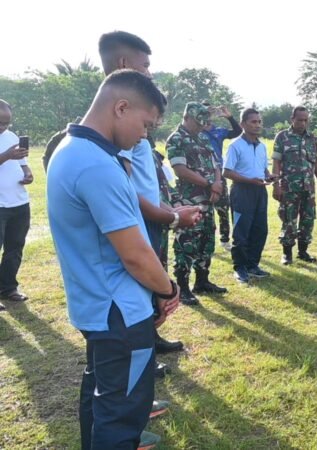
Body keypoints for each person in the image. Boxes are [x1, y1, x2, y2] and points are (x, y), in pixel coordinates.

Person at [47, 69, 180, 450]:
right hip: (120, 313)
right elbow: (135, 256)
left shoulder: (70, 150)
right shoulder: (96, 165)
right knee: (122, 415)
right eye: (146, 124)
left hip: (96, 306)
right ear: (121, 107)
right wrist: (168, 289)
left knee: (102, 397)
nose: (145, 136)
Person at [95, 31, 201, 356]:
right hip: (136, 222)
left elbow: (144, 178)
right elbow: (125, 188)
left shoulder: (126, 117)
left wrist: (168, 209)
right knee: (142, 284)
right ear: (124, 63)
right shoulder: (116, 123)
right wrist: (171, 217)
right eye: (145, 65)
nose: (150, 73)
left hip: (150, 217)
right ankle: (141, 348)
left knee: (149, 288)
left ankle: (149, 341)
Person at [168, 102, 227, 305]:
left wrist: (217, 184)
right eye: (198, 122)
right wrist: (210, 184)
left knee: (207, 239)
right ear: (187, 117)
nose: (202, 126)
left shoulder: (203, 137)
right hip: (189, 200)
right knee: (187, 242)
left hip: (209, 198)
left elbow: (216, 164)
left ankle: (202, 281)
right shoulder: (176, 138)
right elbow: (180, 170)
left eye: (204, 122)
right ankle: (182, 287)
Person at [223, 108, 272, 283]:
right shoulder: (235, 145)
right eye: (253, 122)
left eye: (259, 121)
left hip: (260, 191)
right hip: (242, 191)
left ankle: (252, 265)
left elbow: (264, 169)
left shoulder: (262, 146)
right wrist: (249, 180)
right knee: (241, 231)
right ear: (243, 124)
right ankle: (240, 268)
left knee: (260, 230)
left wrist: (269, 176)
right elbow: (227, 172)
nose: (257, 125)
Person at [272, 106, 317, 265]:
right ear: (292, 119)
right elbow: (276, 163)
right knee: (289, 220)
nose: (303, 123)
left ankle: (303, 252)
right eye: (300, 119)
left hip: (308, 188)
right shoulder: (282, 137)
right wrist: (276, 185)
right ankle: (287, 254)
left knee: (308, 220)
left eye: (306, 120)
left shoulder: (312, 138)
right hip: (289, 188)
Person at [0, 100, 33, 309]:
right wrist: (6, 156)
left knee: (15, 247)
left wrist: (28, 174)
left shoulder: (12, 137)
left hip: (19, 202)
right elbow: (8, 158)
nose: (4, 127)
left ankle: (8, 288)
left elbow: (23, 164)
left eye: (7, 123)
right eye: (0, 123)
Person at [202, 103, 242, 251]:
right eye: (204, 111)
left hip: (218, 174)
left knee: (223, 208)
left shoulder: (218, 131)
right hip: (201, 175)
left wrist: (229, 117)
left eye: (210, 111)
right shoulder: (195, 132)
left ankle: (225, 239)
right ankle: (206, 241)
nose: (208, 114)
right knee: (204, 210)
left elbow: (238, 132)